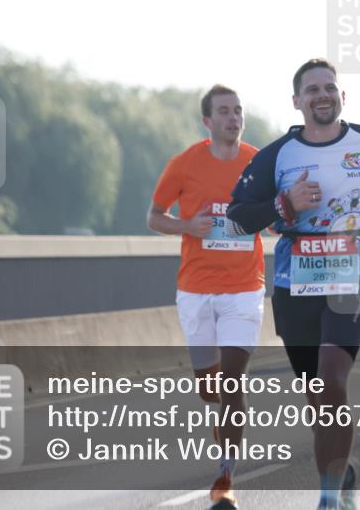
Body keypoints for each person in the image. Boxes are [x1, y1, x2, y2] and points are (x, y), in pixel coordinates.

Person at [226, 59, 360, 510]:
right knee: (317, 394)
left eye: (330, 88)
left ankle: (329, 499)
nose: (322, 95)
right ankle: (341, 471)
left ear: (342, 97)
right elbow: (236, 218)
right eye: (312, 90)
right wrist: (283, 203)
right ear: (297, 101)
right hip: (296, 281)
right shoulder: (278, 155)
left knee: (332, 380)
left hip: (356, 271)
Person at [147, 85, 266, 510]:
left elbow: (271, 218)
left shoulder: (258, 163)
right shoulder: (184, 164)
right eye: (224, 112)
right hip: (195, 290)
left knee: (233, 382)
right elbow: (154, 216)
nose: (234, 118)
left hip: (244, 288)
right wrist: (186, 226)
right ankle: (223, 427)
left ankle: (225, 478)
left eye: (238, 111)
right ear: (208, 121)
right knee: (209, 389)